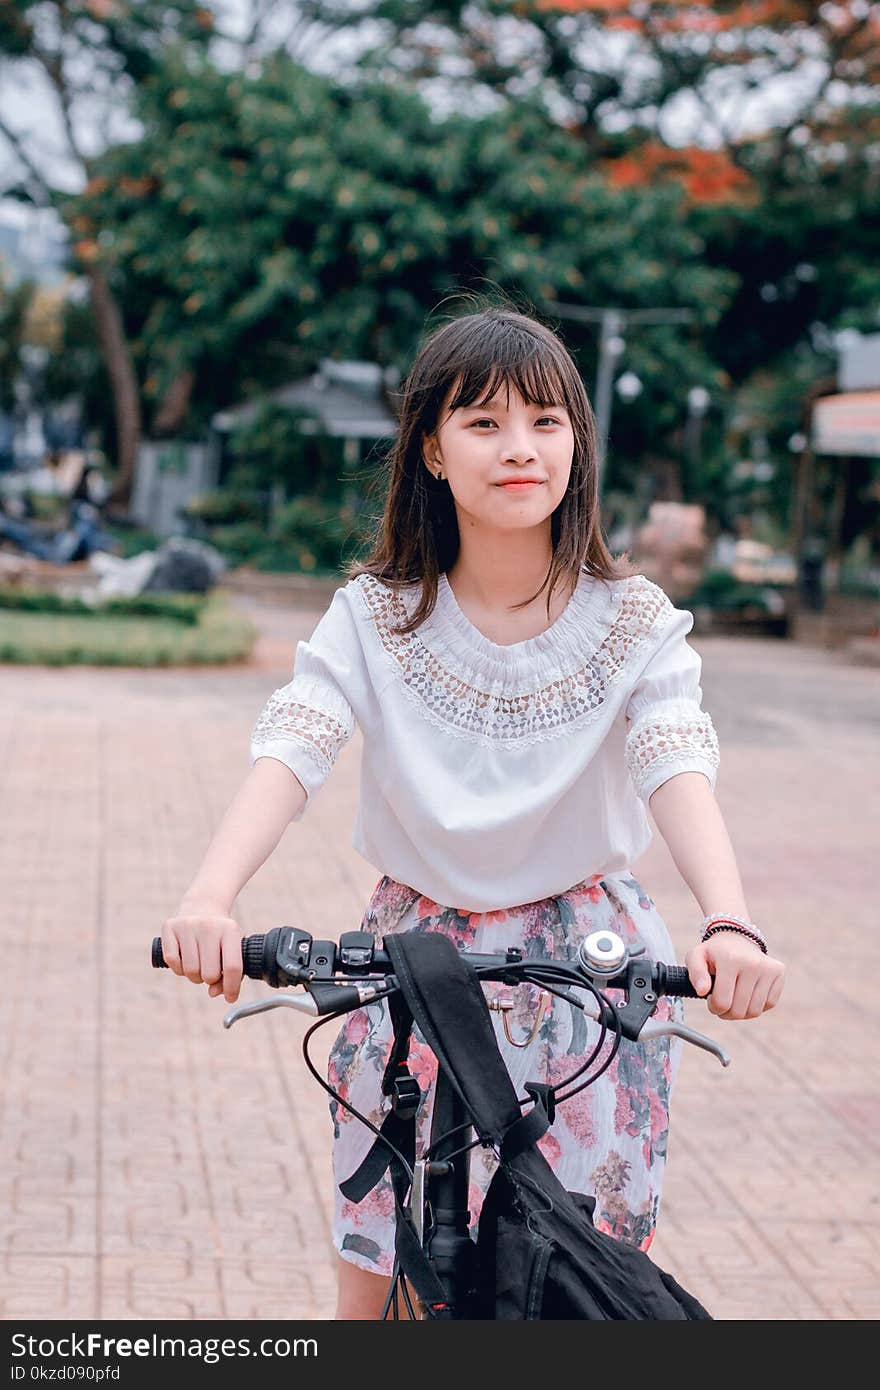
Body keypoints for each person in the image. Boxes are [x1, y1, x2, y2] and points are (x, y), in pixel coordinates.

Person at [160, 305, 785, 1320]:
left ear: (576, 445)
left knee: (581, 1284)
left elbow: (675, 757)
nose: (519, 448)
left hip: (587, 963)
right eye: (483, 423)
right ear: (432, 452)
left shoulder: (631, 620)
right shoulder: (376, 611)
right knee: (375, 1279)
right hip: (414, 955)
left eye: (545, 421)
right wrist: (209, 896)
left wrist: (728, 918)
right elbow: (297, 741)